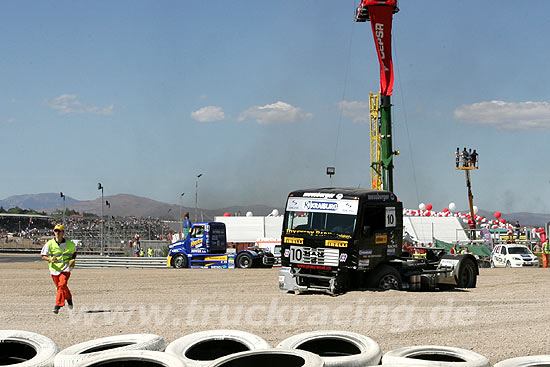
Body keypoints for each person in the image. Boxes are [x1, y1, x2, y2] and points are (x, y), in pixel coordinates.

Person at [40, 224, 76, 314]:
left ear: (63, 232)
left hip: (66, 268)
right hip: (54, 270)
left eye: (59, 231)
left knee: (61, 285)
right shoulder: (49, 244)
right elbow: (43, 255)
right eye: (56, 231)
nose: (57, 233)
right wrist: (50, 259)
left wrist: (73, 259)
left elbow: (74, 252)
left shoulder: (70, 244)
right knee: (62, 287)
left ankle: (57, 305)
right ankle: (69, 299)